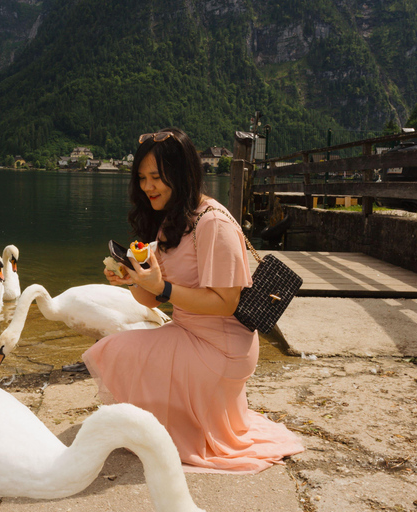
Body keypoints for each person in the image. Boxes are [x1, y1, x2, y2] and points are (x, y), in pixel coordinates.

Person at [82, 127, 304, 473]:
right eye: (142, 178)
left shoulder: (212, 222)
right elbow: (151, 301)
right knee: (115, 348)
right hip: (191, 334)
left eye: (156, 177)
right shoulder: (173, 220)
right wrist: (132, 279)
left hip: (223, 348)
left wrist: (163, 289)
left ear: (181, 173)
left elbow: (225, 303)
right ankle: (175, 421)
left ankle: (178, 424)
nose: (147, 186)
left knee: (115, 352)